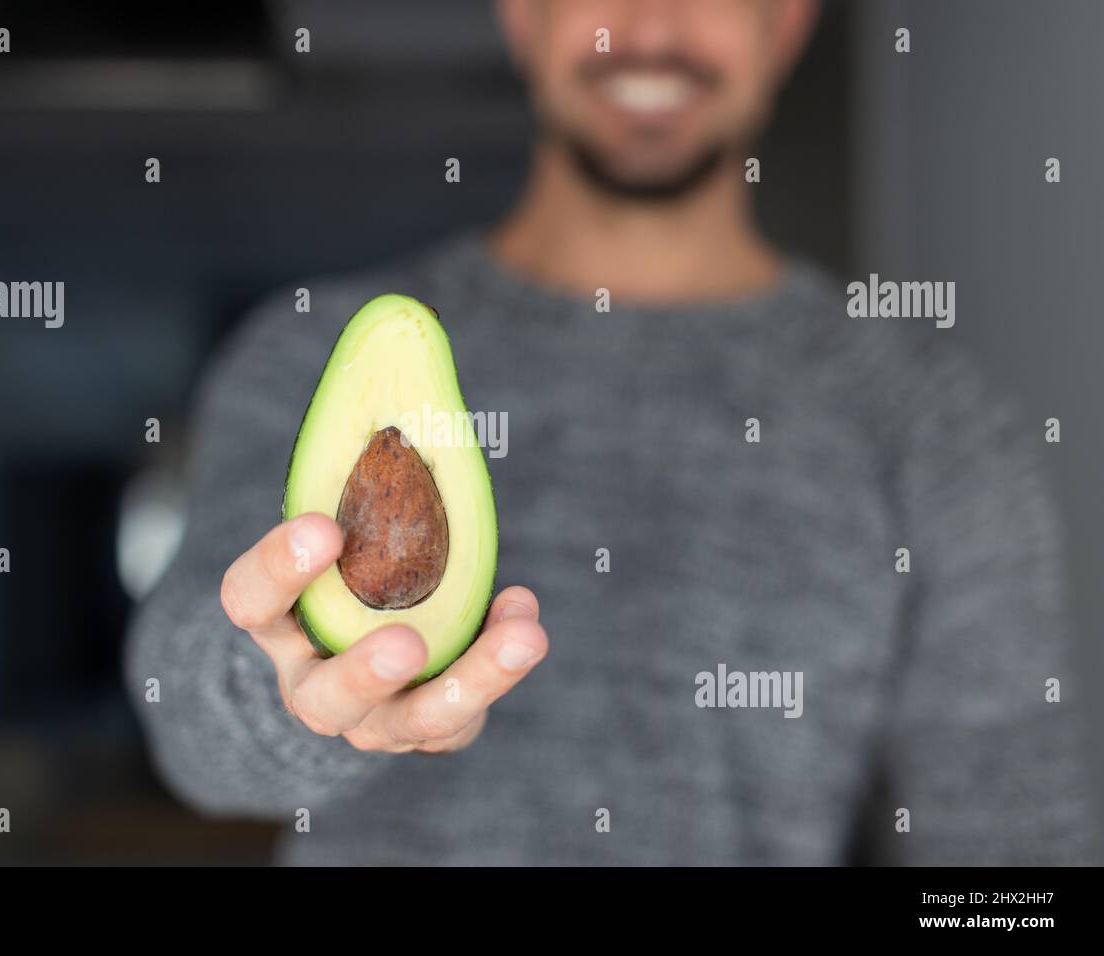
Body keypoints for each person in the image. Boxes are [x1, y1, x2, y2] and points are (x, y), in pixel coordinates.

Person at [126, 0, 1093, 864]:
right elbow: (191, 729)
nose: (652, 28)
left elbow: (1011, 844)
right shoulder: (304, 341)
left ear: (787, 22)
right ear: (521, 16)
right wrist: (296, 701)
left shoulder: (933, 419)